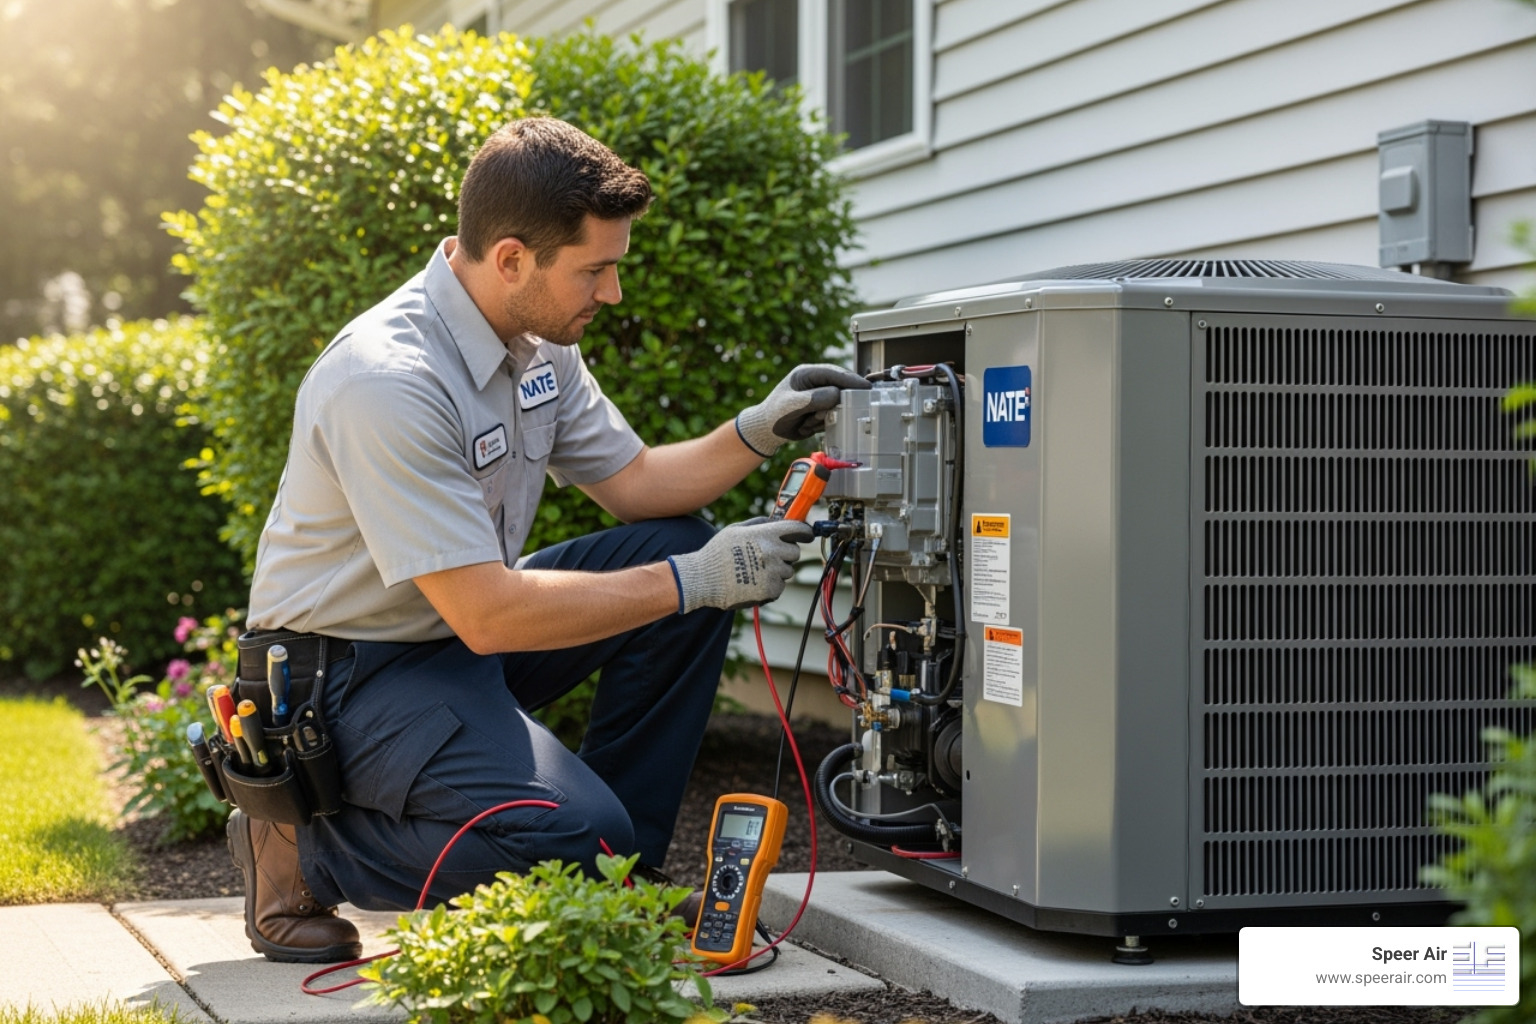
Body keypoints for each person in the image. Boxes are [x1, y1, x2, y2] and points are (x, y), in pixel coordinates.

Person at [224, 115, 870, 963]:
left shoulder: (534, 342)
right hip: (345, 677)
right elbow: (490, 614)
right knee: (576, 826)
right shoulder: (387, 381)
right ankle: (298, 846)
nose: (612, 294)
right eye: (595, 271)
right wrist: (698, 579)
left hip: (448, 640)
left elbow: (637, 483)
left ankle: (617, 891)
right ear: (512, 259)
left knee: (672, 541)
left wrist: (757, 430)